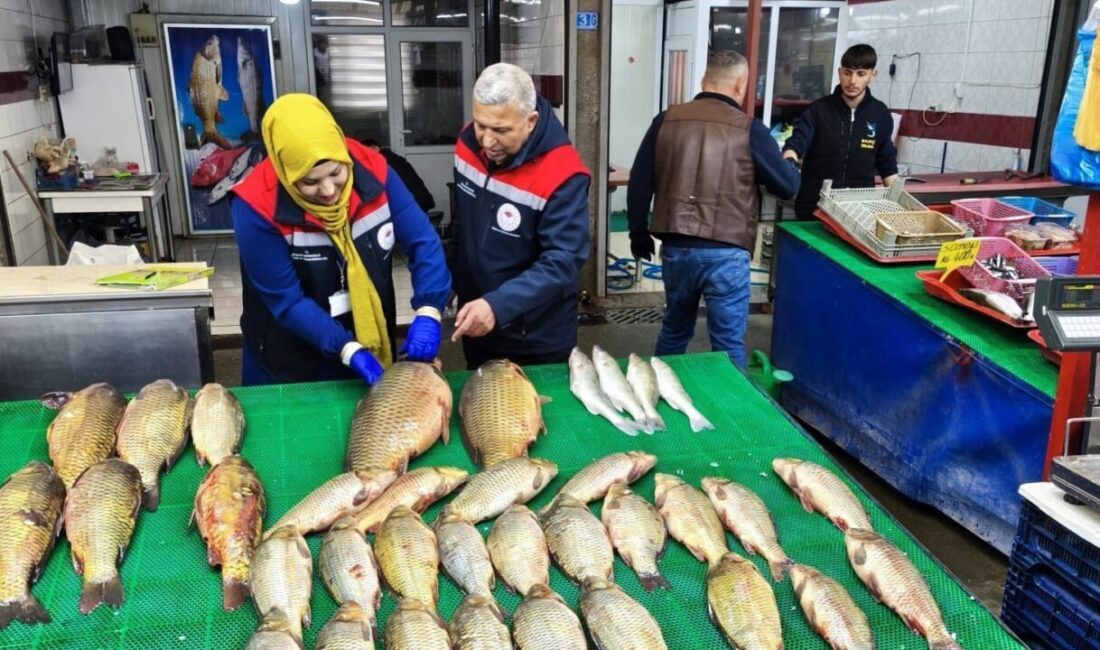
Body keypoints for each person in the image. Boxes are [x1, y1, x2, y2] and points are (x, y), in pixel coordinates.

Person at [231, 94, 451, 386]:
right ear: (285, 172)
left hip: (363, 333)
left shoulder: (374, 169)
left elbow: (423, 241)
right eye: (309, 182)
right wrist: (346, 348)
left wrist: (429, 309)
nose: (329, 190)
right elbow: (288, 300)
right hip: (287, 351)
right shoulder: (255, 205)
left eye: (336, 172)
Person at [627, 51, 800, 368]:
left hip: (676, 248)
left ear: (704, 80)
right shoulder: (750, 129)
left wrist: (638, 233)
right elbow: (788, 187)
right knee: (727, 345)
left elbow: (639, 181)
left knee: (674, 331)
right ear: (740, 85)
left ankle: (660, 401)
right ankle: (734, 414)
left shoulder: (667, 120)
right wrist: (790, 159)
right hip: (727, 251)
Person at [451, 63, 591, 370]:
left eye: (501, 130)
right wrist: (451, 279)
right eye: (480, 125)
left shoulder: (563, 174)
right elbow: (462, 224)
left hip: (535, 336)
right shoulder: (467, 143)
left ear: (531, 121)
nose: (487, 141)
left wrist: (498, 306)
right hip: (479, 321)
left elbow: (563, 261)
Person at [782, 44, 900, 219]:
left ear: (873, 75)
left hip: (858, 211)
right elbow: (796, 143)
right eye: (847, 72)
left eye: (861, 74)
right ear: (839, 72)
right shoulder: (818, 110)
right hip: (814, 208)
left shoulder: (880, 114)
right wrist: (789, 161)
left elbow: (887, 164)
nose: (852, 81)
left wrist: (900, 203)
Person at [363, 139, 436, 213]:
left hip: (412, 205)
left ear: (376, 148)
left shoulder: (384, 163)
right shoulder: (394, 158)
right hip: (421, 201)